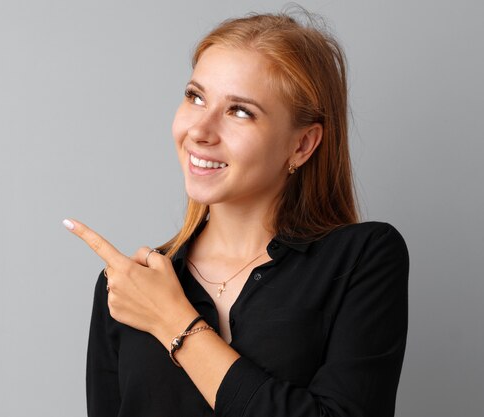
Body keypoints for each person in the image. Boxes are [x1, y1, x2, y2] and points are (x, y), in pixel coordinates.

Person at [63, 9, 409, 417]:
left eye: (239, 111)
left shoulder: (362, 258)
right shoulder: (128, 288)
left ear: (302, 145)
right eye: (196, 97)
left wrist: (173, 322)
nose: (200, 131)